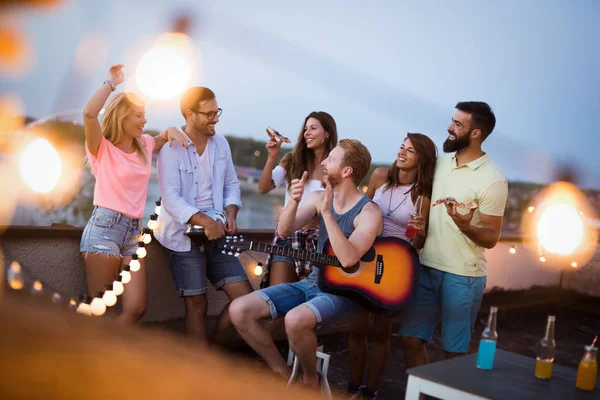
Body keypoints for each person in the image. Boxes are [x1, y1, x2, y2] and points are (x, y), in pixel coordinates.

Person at [229, 139, 383, 389]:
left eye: (330, 159)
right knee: (239, 310)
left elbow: (348, 258)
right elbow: (284, 229)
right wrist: (295, 200)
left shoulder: (369, 213)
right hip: (313, 282)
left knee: (295, 320)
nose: (323, 162)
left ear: (346, 171)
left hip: (344, 294)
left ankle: (310, 380)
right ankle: (281, 370)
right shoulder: (318, 196)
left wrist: (327, 215)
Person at [400, 101, 508, 368]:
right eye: (452, 120)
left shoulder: (493, 180)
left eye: (458, 124)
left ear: (475, 134)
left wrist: (466, 226)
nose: (449, 127)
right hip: (427, 268)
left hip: (463, 277)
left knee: (453, 352)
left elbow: (492, 237)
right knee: (410, 341)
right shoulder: (439, 163)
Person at [80, 64, 187, 324]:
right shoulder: (101, 148)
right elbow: (89, 114)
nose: (144, 120)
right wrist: (111, 83)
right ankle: (88, 361)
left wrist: (171, 129)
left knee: (136, 308)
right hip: (104, 229)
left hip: (133, 233)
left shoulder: (144, 145)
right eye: (139, 116)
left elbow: (162, 136)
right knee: (99, 310)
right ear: (122, 118)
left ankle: (105, 356)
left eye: (144, 115)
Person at [153, 86, 253, 347]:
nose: (216, 118)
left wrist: (232, 213)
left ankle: (215, 354)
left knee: (246, 300)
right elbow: (171, 199)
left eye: (217, 112)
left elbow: (231, 185)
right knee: (197, 304)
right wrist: (205, 221)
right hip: (180, 238)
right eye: (209, 113)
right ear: (189, 114)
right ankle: (200, 367)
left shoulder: (222, 143)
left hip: (219, 233)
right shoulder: (170, 149)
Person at [346, 133, 437, 399]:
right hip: (365, 258)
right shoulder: (379, 176)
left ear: (422, 159)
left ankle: (369, 391)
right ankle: (352, 387)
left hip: (394, 267)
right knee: (357, 327)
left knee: (381, 332)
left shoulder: (423, 196)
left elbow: (418, 242)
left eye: (411, 150)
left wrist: (420, 231)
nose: (403, 152)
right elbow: (360, 209)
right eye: (402, 147)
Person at [257, 112, 337, 288]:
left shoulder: (335, 166)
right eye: (305, 129)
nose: (307, 133)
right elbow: (263, 188)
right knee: (277, 297)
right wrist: (272, 156)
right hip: (287, 236)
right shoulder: (293, 159)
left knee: (304, 301)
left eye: (313, 128)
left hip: (319, 245)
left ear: (328, 133)